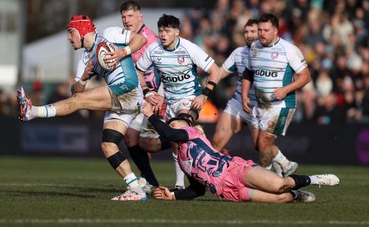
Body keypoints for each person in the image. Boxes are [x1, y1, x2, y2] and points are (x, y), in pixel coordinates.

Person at [17, 14, 149, 201]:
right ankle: (137, 190)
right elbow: (76, 91)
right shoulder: (85, 59)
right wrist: (85, 78)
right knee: (108, 146)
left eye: (71, 33)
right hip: (120, 100)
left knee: (80, 101)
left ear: (82, 30)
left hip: (128, 90)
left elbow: (140, 39)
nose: (69, 38)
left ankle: (33, 111)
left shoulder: (109, 34)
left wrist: (122, 52)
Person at [141, 102, 339, 203]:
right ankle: (296, 194)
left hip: (235, 170)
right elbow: (198, 189)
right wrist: (173, 196)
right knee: (283, 198)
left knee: (280, 185)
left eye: (176, 122)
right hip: (229, 192)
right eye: (172, 123)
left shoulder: (191, 133)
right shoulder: (183, 162)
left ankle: (315, 179)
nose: (173, 125)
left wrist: (150, 114)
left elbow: (167, 132)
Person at [136, 14, 221, 189]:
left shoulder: (189, 48)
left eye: (167, 31)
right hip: (169, 101)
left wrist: (204, 95)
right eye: (160, 31)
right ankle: (195, 137)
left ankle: (179, 185)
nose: (163, 34)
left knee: (177, 130)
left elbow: (215, 71)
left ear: (176, 32)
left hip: (189, 99)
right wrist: (148, 92)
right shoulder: (154, 49)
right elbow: (138, 71)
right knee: (146, 144)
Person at [212, 19, 297, 177]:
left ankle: (282, 166)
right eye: (246, 32)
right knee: (217, 142)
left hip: (260, 106)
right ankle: (204, 181)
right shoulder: (238, 53)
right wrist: (207, 86)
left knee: (260, 146)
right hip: (238, 102)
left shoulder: (271, 51)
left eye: (253, 31)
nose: (249, 35)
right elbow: (221, 72)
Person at [241, 13, 311, 172]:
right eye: (260, 30)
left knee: (264, 142)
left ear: (275, 31)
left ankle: (265, 181)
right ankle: (284, 166)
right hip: (259, 104)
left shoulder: (289, 49)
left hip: (281, 104)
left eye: (266, 30)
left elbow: (306, 76)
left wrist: (286, 89)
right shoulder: (254, 47)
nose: (261, 33)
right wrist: (244, 95)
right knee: (257, 145)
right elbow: (248, 73)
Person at [120, 0, 162, 192]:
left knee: (150, 142)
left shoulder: (151, 39)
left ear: (140, 17)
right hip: (138, 95)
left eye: (130, 16)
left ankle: (187, 135)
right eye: (123, 17)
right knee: (131, 138)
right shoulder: (126, 37)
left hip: (154, 96)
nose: (126, 20)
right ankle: (149, 181)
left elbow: (163, 68)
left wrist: (159, 95)